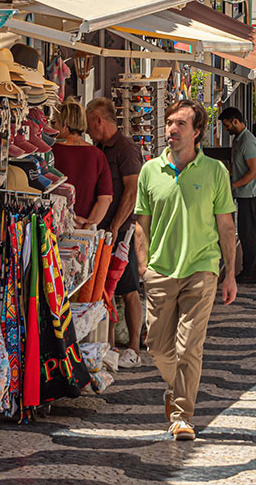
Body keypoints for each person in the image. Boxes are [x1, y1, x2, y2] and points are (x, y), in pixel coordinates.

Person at [134, 100, 237, 441]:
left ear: (196, 132)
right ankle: (174, 388)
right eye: (169, 123)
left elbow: (226, 226)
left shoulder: (215, 172)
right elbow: (141, 225)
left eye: (180, 124)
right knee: (157, 347)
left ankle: (181, 416)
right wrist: (143, 267)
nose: (171, 130)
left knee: (189, 346)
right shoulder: (150, 171)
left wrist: (230, 273)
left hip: (201, 269)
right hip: (161, 270)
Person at [85, 97, 145, 367]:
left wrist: (116, 226)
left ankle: (134, 347)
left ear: (100, 120)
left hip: (121, 231)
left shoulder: (126, 149)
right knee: (105, 289)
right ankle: (107, 345)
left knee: (129, 287)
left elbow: (131, 193)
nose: (87, 130)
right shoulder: (99, 147)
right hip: (103, 230)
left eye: (89, 124)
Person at [217, 107, 256, 286]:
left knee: (249, 234)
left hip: (251, 195)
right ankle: (248, 270)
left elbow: (253, 172)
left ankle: (251, 272)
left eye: (227, 125)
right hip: (242, 194)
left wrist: (232, 185)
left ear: (236, 121)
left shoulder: (247, 142)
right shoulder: (238, 139)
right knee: (244, 233)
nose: (226, 128)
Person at [50, 99, 113, 230]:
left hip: (51, 225)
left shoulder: (50, 151)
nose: (51, 127)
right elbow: (105, 199)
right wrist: (87, 226)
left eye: (54, 122)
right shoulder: (97, 155)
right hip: (81, 230)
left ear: (64, 126)